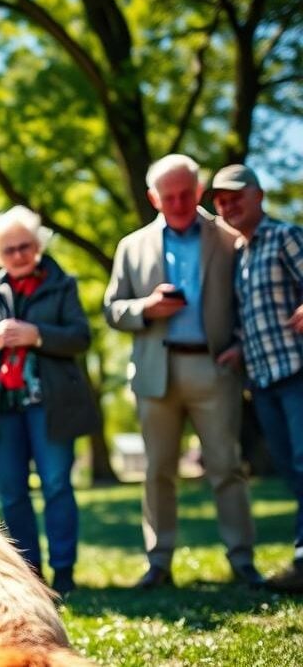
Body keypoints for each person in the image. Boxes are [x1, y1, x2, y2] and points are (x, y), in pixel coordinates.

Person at [103, 154, 263, 589]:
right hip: (156, 370)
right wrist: (146, 308)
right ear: (153, 197)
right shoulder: (131, 246)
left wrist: (240, 346)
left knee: (226, 466)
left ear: (197, 191)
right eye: (167, 196)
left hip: (215, 367)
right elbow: (112, 309)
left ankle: (242, 558)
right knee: (157, 471)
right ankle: (159, 562)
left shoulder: (228, 238)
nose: (177, 203)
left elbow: (252, 300)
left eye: (185, 194)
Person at [0, 206, 100, 595]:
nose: (19, 255)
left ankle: (65, 573)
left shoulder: (62, 283)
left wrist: (36, 335)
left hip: (50, 405)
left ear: (38, 245)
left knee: (57, 484)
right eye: (9, 250)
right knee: (12, 492)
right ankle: (29, 576)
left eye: (25, 246)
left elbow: (80, 336)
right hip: (2, 408)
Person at [210, 163, 303, 593]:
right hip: (262, 379)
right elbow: (257, 315)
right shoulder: (240, 254)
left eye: (235, 197)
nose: (228, 206)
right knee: (288, 467)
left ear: (258, 195)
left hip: (296, 372)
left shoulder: (284, 236)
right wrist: (238, 349)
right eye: (221, 201)